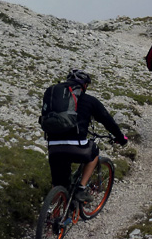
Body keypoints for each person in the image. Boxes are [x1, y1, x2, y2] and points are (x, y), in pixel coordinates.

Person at [42, 69, 128, 203]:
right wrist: (121, 139)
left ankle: (51, 214)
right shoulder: (89, 100)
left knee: (59, 183)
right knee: (94, 153)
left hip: (53, 147)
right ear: (85, 85)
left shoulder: (55, 97)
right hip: (76, 147)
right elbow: (107, 120)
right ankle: (81, 189)